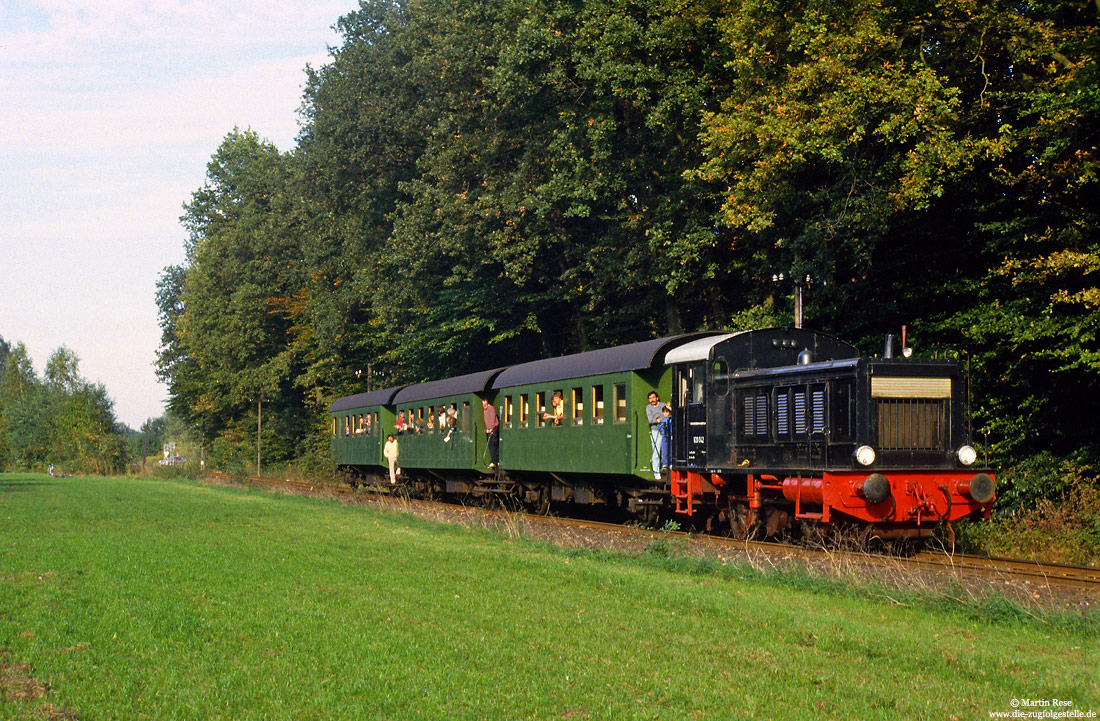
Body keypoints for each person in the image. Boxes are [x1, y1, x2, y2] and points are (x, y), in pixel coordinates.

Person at [645, 391, 667, 480]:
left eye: (653, 398)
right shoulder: (648, 407)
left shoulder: (663, 405)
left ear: (657, 398)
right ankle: (656, 472)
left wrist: (660, 419)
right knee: (656, 450)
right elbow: (650, 420)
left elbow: (668, 414)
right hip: (655, 431)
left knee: (665, 448)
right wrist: (658, 419)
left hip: (664, 429)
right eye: (650, 398)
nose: (652, 400)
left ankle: (665, 466)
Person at [482, 398, 500, 469]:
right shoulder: (485, 410)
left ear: (487, 403)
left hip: (494, 429)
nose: (484, 406)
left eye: (485, 404)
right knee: (490, 445)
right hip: (489, 430)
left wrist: (491, 428)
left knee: (493, 445)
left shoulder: (491, 409)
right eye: (483, 404)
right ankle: (493, 461)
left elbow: (493, 419)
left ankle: (494, 461)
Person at [659, 404, 672, 473]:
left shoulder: (671, 418)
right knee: (664, 450)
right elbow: (660, 428)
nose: (665, 414)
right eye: (664, 412)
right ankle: (664, 464)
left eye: (666, 412)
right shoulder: (662, 419)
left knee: (671, 449)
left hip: (670, 435)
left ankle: (670, 463)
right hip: (664, 436)